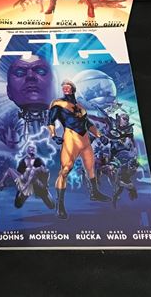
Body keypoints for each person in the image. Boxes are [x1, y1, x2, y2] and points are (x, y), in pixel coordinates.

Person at [48, 80, 110, 219]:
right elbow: (50, 120)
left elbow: (87, 123)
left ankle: (94, 193)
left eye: (68, 87)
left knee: (90, 168)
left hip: (85, 140)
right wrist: (53, 135)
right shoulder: (58, 103)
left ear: (73, 89)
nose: (65, 89)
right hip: (71, 139)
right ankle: (60, 205)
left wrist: (99, 135)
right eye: (63, 87)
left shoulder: (80, 107)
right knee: (65, 170)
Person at [0, 54, 55, 151]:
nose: (30, 76)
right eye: (19, 73)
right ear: (8, 91)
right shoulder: (5, 122)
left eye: (40, 71)